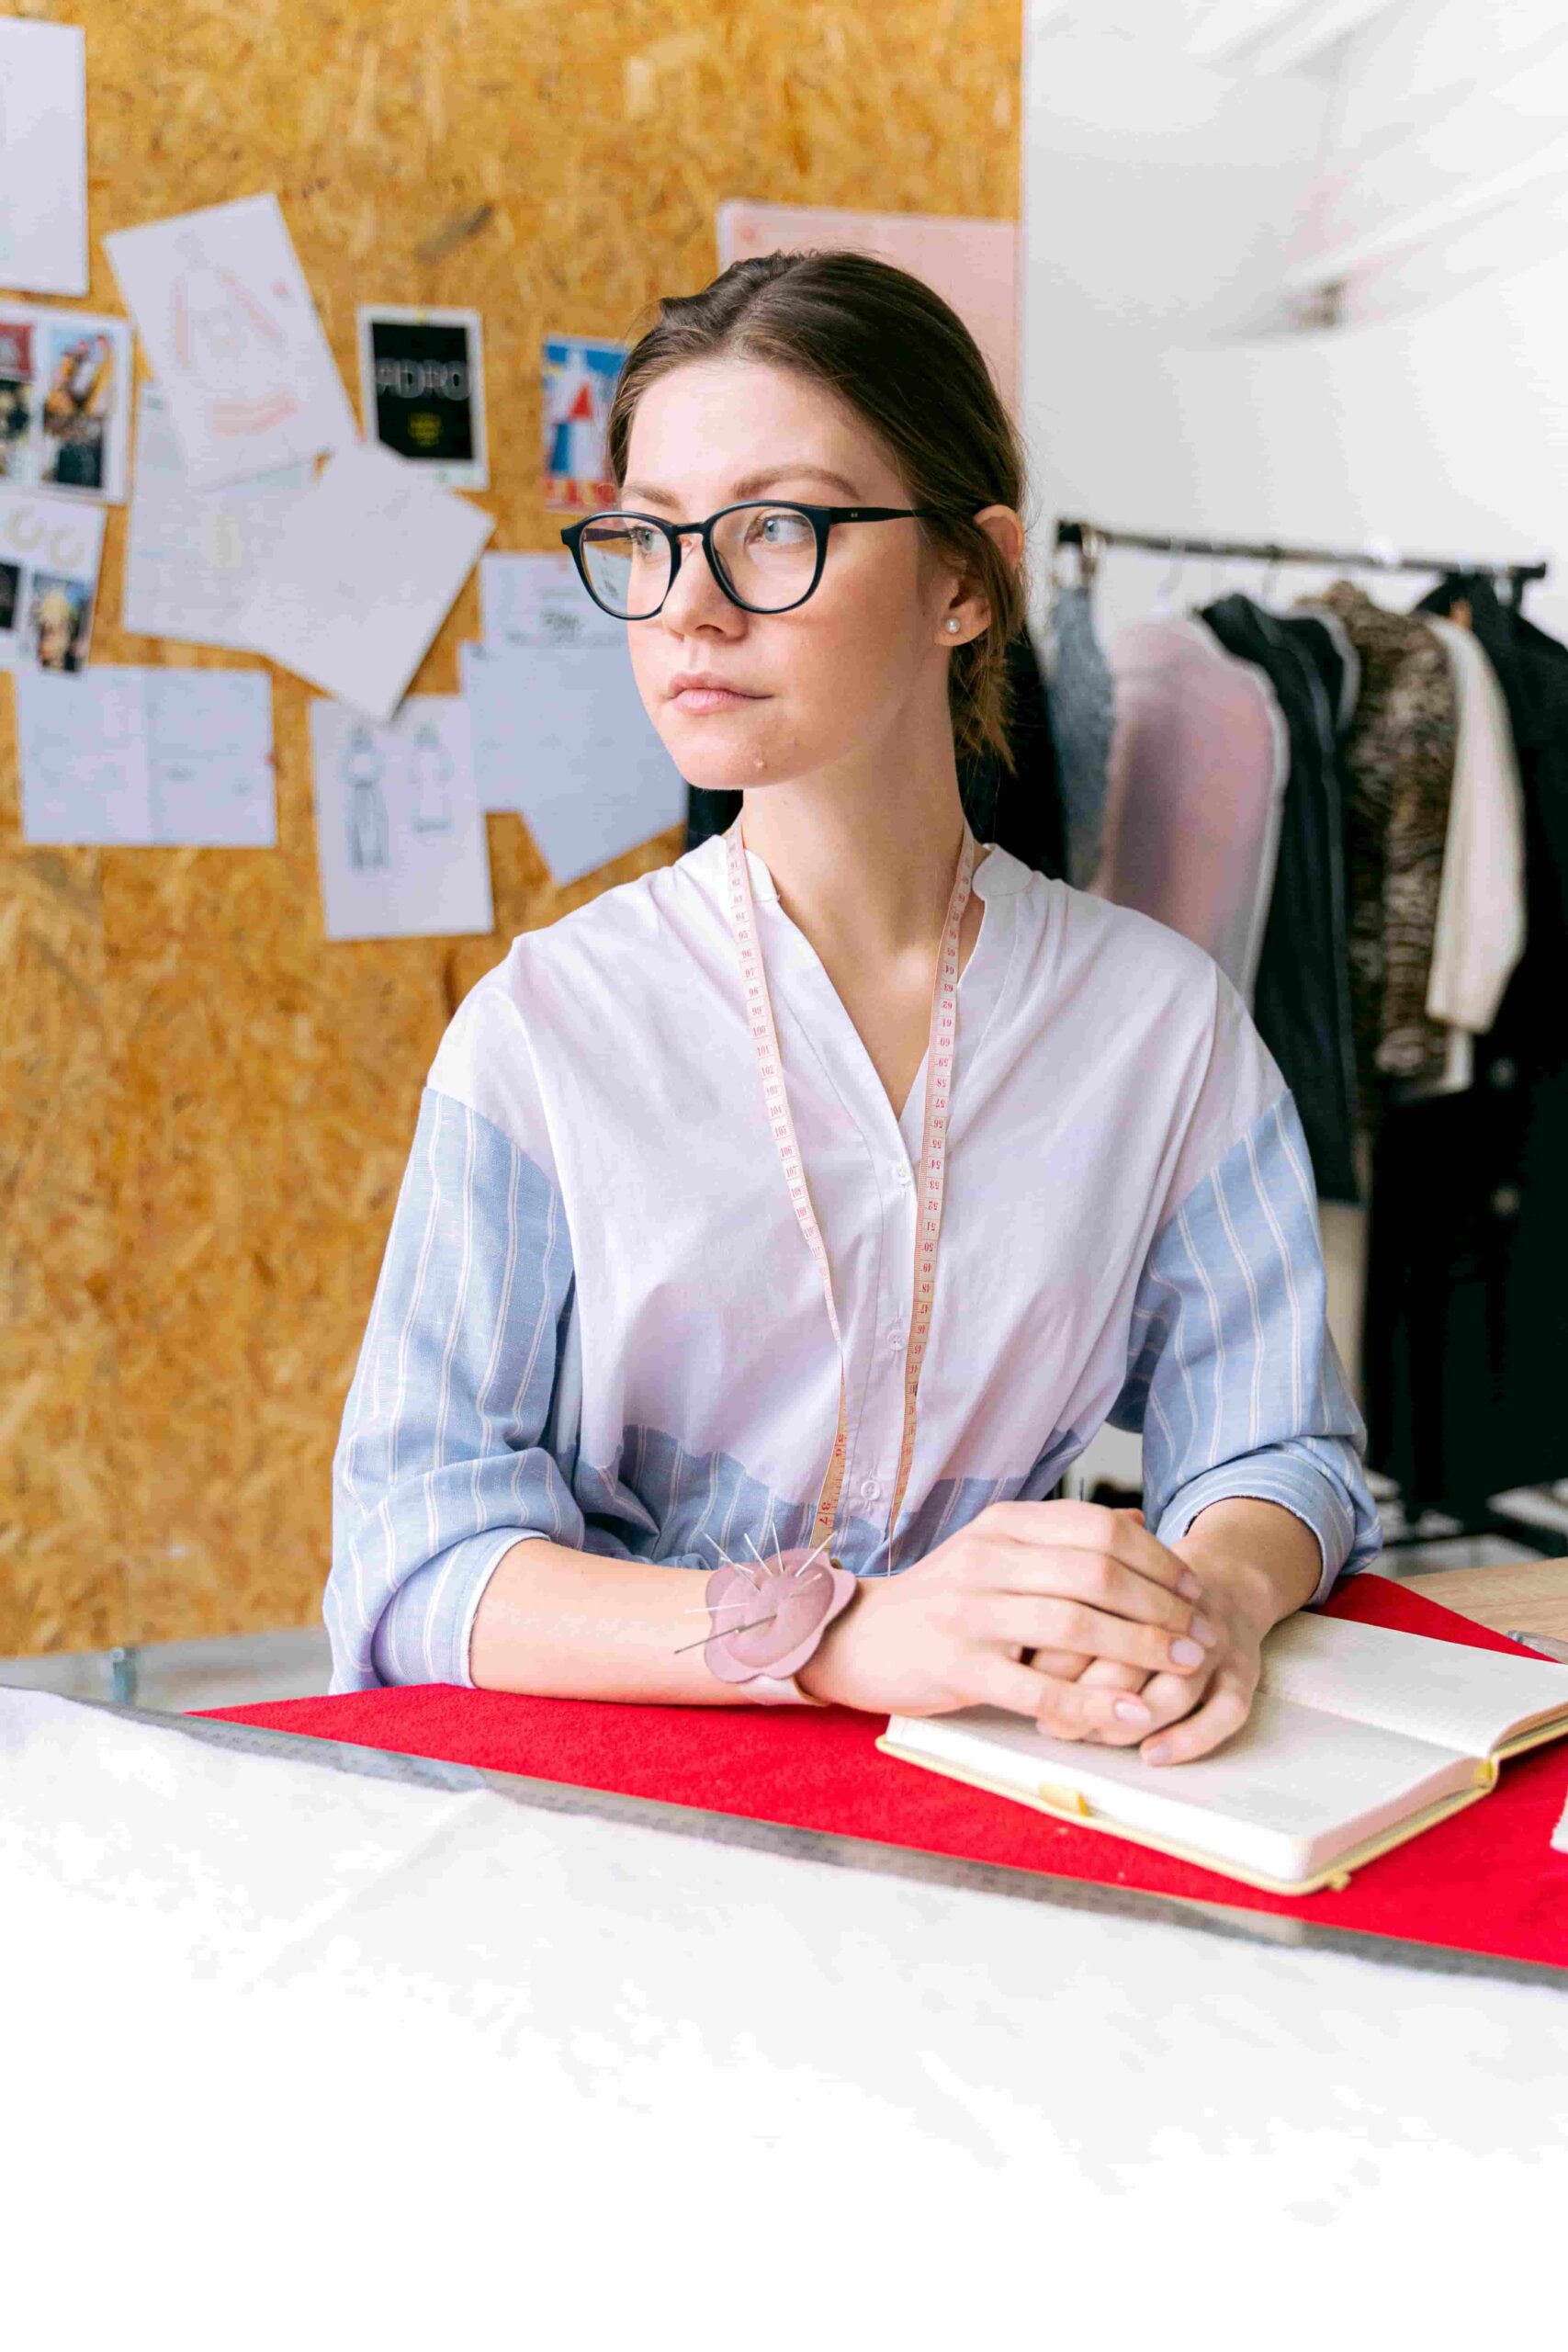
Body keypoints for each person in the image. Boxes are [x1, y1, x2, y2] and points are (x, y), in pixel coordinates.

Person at [325, 251, 1380, 1766]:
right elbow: (409, 1563)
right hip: (612, 1795)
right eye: (649, 536)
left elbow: (1276, 1445)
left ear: (966, 579)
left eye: (776, 528)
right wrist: (840, 1635)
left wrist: (1214, 1596)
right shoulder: (548, 1031)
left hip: (997, 1776)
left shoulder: (1163, 1030)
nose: (688, 609)